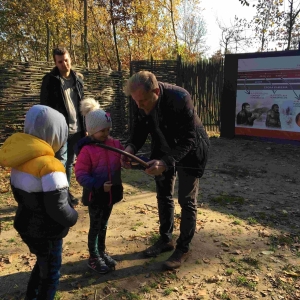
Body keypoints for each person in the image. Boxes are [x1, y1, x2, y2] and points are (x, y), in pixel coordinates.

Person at [122, 71, 210, 270]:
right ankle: (165, 239)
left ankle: (183, 248)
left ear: (155, 91)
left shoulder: (180, 97)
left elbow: (189, 139)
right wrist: (130, 149)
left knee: (187, 201)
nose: (139, 105)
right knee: (163, 195)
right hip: (163, 148)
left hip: (192, 151)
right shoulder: (140, 99)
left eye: (142, 101)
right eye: (136, 101)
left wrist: (165, 162)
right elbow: (138, 131)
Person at [0, 105, 78, 300]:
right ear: (55, 134)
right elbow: (58, 207)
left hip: (27, 225)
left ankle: (31, 296)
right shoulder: (50, 165)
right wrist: (73, 216)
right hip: (48, 231)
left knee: (42, 264)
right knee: (51, 274)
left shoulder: (19, 160)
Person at [74, 98, 124, 274]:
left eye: (108, 130)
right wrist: (97, 185)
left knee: (104, 224)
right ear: (92, 130)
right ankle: (93, 257)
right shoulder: (87, 150)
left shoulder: (114, 144)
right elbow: (80, 175)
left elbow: (124, 157)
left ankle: (101, 251)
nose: (106, 134)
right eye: (102, 130)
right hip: (96, 195)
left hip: (111, 194)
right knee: (95, 226)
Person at [40, 46, 85, 203]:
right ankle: (61, 195)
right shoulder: (50, 81)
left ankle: (69, 192)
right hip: (60, 130)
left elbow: (82, 105)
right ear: (55, 63)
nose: (64, 64)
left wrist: (84, 128)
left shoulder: (78, 79)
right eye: (60, 62)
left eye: (66, 60)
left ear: (70, 59)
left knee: (73, 163)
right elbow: (44, 107)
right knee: (62, 163)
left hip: (77, 129)